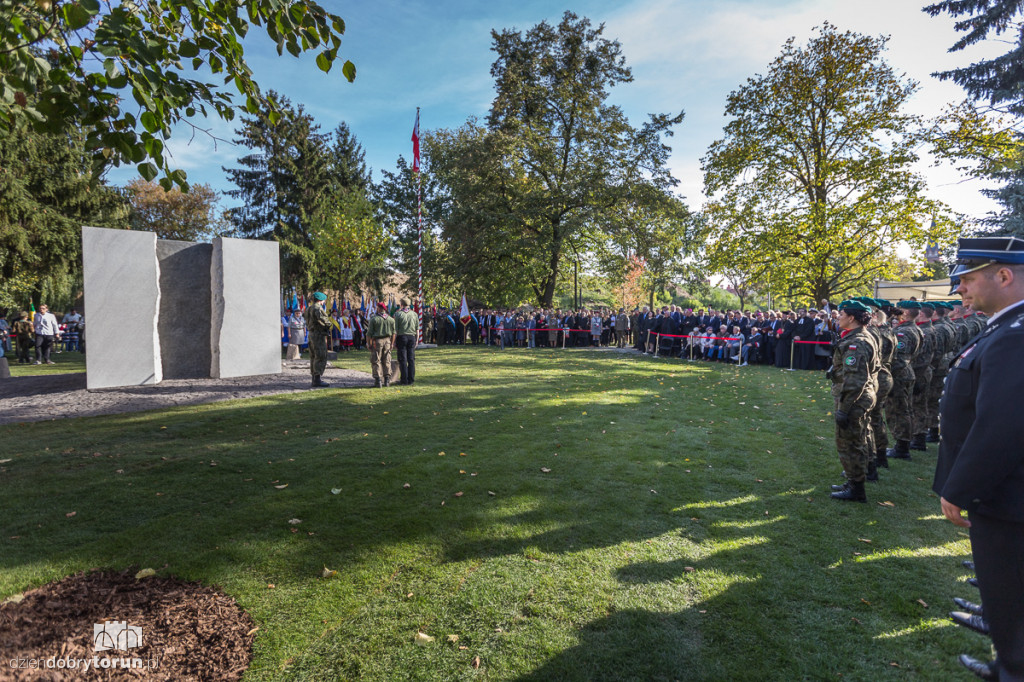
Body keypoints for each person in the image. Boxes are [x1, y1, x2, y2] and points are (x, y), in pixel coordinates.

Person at [933, 236, 1024, 682]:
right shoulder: (1005, 327)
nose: (960, 290)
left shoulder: (1016, 335)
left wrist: (959, 487)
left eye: (966, 279)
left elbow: (1001, 425)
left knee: (1010, 603)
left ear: (1003, 275)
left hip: (1007, 498)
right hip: (1004, 495)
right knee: (1007, 602)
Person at [828, 300, 879, 503]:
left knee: (849, 442)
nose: (838, 317)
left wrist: (844, 409)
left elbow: (855, 380)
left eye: (841, 314)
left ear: (851, 318)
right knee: (859, 438)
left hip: (854, 399)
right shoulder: (862, 336)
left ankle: (856, 489)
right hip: (861, 396)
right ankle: (853, 481)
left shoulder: (856, 342)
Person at [303, 292, 333, 388]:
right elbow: (323, 320)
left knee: (313, 356)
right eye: (324, 300)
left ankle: (314, 378)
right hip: (318, 335)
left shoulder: (309, 308)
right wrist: (329, 325)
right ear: (321, 300)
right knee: (320, 355)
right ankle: (317, 379)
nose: (324, 302)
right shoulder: (317, 308)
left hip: (311, 334)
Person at [367, 301, 396, 387]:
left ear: (379, 308)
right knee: (387, 360)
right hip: (388, 341)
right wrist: (392, 344)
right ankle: (387, 380)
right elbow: (394, 333)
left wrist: (369, 343)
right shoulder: (391, 319)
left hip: (377, 341)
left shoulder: (374, 319)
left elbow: (369, 333)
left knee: (376, 360)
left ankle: (378, 380)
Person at [394, 297, 419, 385]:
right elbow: (417, 329)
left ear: (401, 304)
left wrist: (394, 340)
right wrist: (417, 340)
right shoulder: (414, 314)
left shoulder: (398, 314)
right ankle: (411, 379)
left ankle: (404, 380)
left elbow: (395, 329)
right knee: (411, 359)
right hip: (412, 337)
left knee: (403, 359)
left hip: (402, 337)